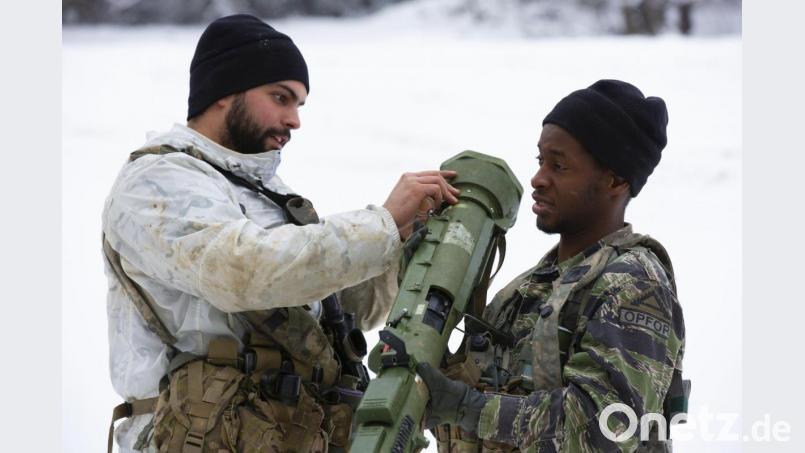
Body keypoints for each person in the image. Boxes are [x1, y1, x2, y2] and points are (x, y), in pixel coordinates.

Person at [102, 14, 458, 453]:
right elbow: (240, 271)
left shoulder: (266, 190)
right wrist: (380, 223)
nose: (294, 120)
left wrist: (401, 245)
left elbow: (332, 313)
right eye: (280, 98)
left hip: (286, 434)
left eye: (299, 105)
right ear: (224, 90)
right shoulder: (155, 182)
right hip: (197, 437)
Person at [416, 80, 688, 452]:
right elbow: (477, 397)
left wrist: (468, 408)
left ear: (616, 180)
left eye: (559, 166)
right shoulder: (531, 287)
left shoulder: (635, 284)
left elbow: (606, 426)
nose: (538, 179)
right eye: (540, 161)